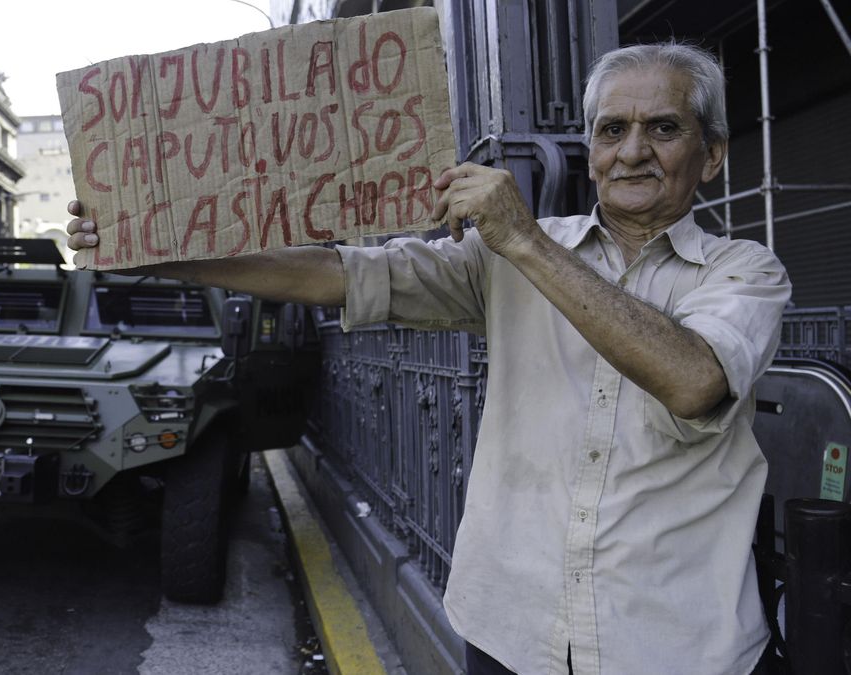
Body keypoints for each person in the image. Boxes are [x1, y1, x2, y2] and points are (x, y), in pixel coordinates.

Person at [67, 42, 790, 675]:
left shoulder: (744, 272)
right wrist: (154, 248)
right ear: (592, 151)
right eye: (613, 130)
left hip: (672, 649)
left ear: (713, 153)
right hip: (514, 633)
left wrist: (525, 241)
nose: (633, 150)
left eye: (663, 128)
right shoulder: (508, 255)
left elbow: (694, 380)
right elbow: (337, 273)